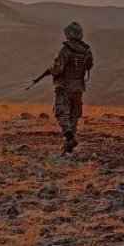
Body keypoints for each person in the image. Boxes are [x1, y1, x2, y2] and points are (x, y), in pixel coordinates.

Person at [47, 22, 94, 154]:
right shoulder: (86, 50)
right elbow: (89, 65)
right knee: (74, 115)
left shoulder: (65, 50)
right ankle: (68, 146)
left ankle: (69, 137)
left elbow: (58, 69)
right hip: (78, 87)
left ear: (69, 34)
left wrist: (51, 70)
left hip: (64, 87)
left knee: (61, 112)